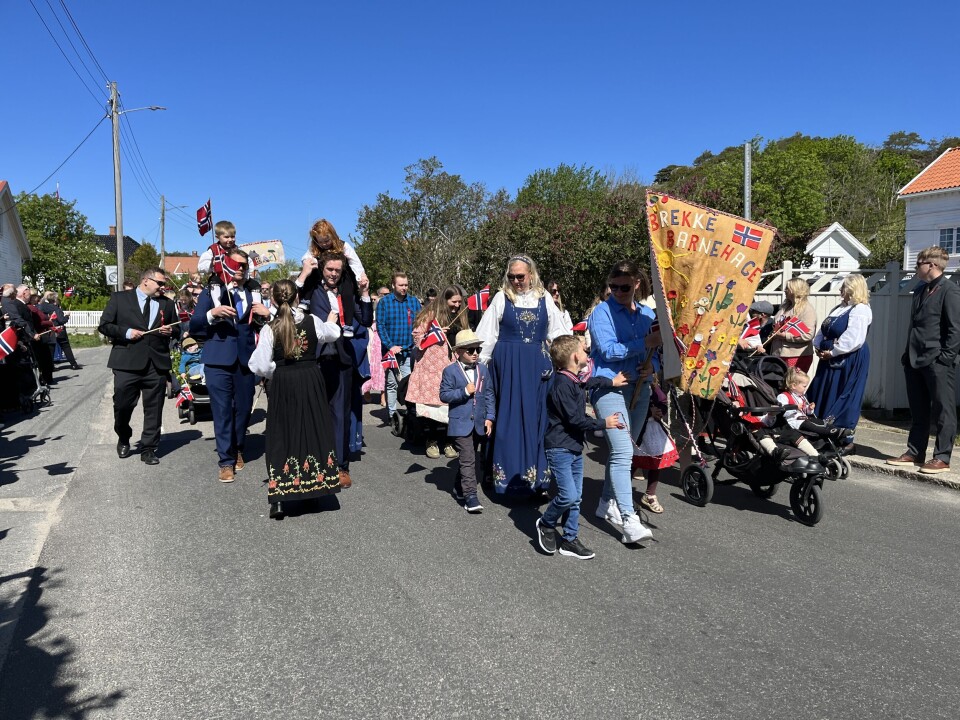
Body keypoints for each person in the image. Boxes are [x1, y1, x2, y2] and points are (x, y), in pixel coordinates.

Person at [248, 279, 345, 519]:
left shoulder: (270, 328)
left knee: (283, 433)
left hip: (284, 381)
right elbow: (333, 334)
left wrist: (278, 370)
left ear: (273, 300)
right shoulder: (312, 321)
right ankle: (313, 490)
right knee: (312, 429)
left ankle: (279, 499)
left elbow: (259, 365)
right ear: (297, 297)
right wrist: (331, 321)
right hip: (310, 379)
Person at [477, 255, 568, 494]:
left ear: (531, 275)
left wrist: (569, 362)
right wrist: (480, 369)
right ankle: (506, 479)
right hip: (507, 366)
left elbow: (558, 334)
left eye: (520, 276)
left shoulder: (544, 298)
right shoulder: (501, 298)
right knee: (508, 419)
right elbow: (487, 336)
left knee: (537, 420)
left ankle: (537, 481)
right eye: (511, 276)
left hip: (537, 368)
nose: (516, 281)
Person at [588, 259, 660, 545]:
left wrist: (652, 365)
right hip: (609, 388)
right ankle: (630, 520)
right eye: (613, 286)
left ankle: (606, 503)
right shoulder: (601, 313)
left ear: (637, 284)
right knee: (622, 451)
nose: (618, 291)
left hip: (640, 389)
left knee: (623, 451)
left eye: (624, 287)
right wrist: (644, 344)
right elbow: (607, 350)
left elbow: (656, 352)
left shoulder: (648, 314)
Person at [536, 335, 626, 560]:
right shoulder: (561, 385)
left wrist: (612, 382)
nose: (588, 353)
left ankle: (569, 539)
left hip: (574, 447)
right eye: (585, 351)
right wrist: (604, 423)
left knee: (576, 498)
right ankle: (546, 522)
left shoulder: (573, 380)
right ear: (576, 356)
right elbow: (576, 420)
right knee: (568, 496)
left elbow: (591, 382)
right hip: (559, 447)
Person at [190, 247, 271, 482]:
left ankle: (238, 447)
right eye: (236, 265)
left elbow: (262, 327)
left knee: (243, 409)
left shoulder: (253, 293)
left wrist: (266, 315)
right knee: (222, 410)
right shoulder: (212, 292)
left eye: (244, 266)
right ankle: (226, 460)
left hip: (245, 360)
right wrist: (212, 313)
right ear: (226, 266)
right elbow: (194, 325)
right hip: (218, 360)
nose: (240, 270)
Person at [888, 247, 960, 474]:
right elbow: (915, 326)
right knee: (918, 409)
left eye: (918, 264)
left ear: (932, 265)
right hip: (914, 359)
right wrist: (906, 354)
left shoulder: (950, 290)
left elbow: (955, 329)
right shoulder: (920, 290)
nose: (915, 268)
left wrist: (945, 358)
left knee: (943, 410)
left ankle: (942, 457)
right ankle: (915, 452)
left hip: (937, 361)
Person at [98, 267, 180, 464]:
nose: (163, 287)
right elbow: (104, 325)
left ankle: (149, 448)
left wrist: (171, 332)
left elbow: (177, 328)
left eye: (164, 284)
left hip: (156, 363)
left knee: (154, 407)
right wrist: (126, 333)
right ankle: (123, 435)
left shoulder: (167, 304)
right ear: (146, 281)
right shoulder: (120, 299)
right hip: (127, 362)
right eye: (160, 283)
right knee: (122, 405)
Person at [306, 251, 373, 487]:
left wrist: (364, 294)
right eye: (330, 269)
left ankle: (341, 466)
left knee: (341, 415)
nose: (334, 274)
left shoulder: (347, 294)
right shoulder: (312, 292)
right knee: (316, 413)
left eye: (337, 270)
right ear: (322, 269)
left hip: (342, 360)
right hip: (316, 361)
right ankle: (318, 463)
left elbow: (365, 320)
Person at [807, 274, 872, 438]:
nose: (840, 290)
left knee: (843, 392)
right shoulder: (839, 308)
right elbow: (823, 331)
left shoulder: (861, 309)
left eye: (843, 287)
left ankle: (842, 436)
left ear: (852, 288)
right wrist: (818, 345)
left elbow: (854, 338)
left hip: (848, 358)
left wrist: (833, 352)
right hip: (829, 358)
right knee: (822, 389)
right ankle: (819, 430)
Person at [407, 287, 468, 459]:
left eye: (459, 302)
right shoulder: (430, 315)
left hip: (452, 365)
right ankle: (431, 440)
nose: (457, 305)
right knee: (434, 407)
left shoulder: (461, 315)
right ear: (444, 300)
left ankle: (448, 442)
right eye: (453, 302)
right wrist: (435, 335)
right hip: (432, 368)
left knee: (451, 405)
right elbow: (417, 338)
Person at [439, 329, 495, 513]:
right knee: (469, 459)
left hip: (478, 423)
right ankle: (471, 496)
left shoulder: (483, 369)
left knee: (468, 459)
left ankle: (459, 486)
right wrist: (464, 392)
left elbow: (489, 394)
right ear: (459, 352)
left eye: (478, 349)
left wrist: (489, 417)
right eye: (470, 350)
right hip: (460, 423)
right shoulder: (450, 371)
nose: (475, 353)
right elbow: (444, 395)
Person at [300, 219, 367, 337]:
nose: (324, 244)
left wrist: (361, 276)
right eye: (320, 242)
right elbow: (305, 259)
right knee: (312, 272)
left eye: (327, 241)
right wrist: (311, 261)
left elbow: (355, 262)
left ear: (333, 235)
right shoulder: (314, 248)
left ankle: (348, 325)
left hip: (342, 274)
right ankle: (306, 299)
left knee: (348, 290)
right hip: (322, 275)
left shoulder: (343, 245)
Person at [376, 272, 423, 421]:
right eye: (401, 285)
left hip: (409, 350)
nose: (404, 288)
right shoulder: (384, 303)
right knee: (392, 383)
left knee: (409, 382)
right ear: (393, 285)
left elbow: (421, 323)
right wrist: (390, 346)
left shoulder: (414, 302)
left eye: (406, 285)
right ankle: (392, 415)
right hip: (391, 352)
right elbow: (380, 326)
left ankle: (410, 413)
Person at [769, 278, 817, 372]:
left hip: (796, 355)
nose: (784, 290)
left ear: (795, 289)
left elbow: (808, 335)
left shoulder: (807, 309)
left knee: (791, 381)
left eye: (787, 288)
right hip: (778, 353)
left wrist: (785, 336)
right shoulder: (786, 306)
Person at [40, 291, 80, 370]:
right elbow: (61, 320)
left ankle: (50, 367)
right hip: (59, 329)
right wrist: (67, 316)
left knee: (51, 349)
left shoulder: (43, 307)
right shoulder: (56, 308)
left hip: (49, 329)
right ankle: (73, 364)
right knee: (66, 347)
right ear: (55, 300)